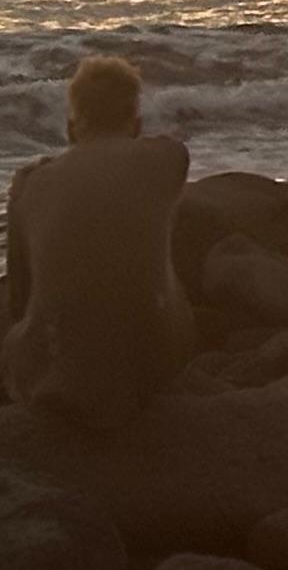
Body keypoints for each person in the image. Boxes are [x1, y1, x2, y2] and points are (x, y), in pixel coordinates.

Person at [2, 56, 194, 434]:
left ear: (71, 128)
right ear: (136, 124)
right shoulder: (169, 158)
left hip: (51, 378)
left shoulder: (29, 185)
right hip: (156, 365)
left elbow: (22, 300)